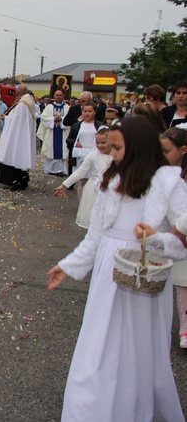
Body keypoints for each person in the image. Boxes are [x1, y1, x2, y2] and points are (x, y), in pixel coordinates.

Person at [46, 117, 187, 421]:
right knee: (99, 343)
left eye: (119, 148)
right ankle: (91, 408)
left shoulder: (167, 183)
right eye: (111, 148)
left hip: (145, 273)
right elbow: (95, 235)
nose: (113, 154)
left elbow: (181, 242)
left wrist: (156, 237)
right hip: (109, 272)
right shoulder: (110, 180)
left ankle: (134, 407)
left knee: (139, 347)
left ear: (138, 146)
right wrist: (68, 265)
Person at [54, 126, 112, 228]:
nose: (100, 145)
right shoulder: (92, 155)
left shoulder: (117, 156)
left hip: (111, 191)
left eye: (103, 143)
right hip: (94, 190)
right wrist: (64, 185)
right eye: (97, 142)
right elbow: (80, 172)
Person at [161, 127, 187, 349]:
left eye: (167, 151)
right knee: (179, 284)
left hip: (181, 232)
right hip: (171, 238)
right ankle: (183, 329)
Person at [0, 84, 38, 191]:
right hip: (24, 134)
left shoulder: (23, 103)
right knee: (22, 157)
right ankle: (23, 180)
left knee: (16, 156)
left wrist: (6, 118)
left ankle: (18, 182)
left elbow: (16, 119)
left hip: (19, 135)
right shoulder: (29, 100)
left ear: (18, 92)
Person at [65, 101, 103, 198]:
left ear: (94, 112)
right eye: (85, 111)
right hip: (81, 156)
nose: (87, 113)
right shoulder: (77, 126)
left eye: (90, 111)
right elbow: (69, 139)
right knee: (82, 180)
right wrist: (75, 142)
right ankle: (81, 203)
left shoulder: (99, 126)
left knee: (95, 179)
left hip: (95, 155)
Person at [37, 89, 70, 176]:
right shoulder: (49, 107)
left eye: (60, 95)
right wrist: (53, 119)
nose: (59, 97)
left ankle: (61, 170)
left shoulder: (67, 107)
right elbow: (43, 118)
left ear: (63, 96)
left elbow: (70, 119)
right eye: (57, 95)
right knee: (50, 150)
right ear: (54, 96)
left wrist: (62, 119)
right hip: (51, 132)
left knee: (62, 150)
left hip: (62, 132)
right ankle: (50, 170)